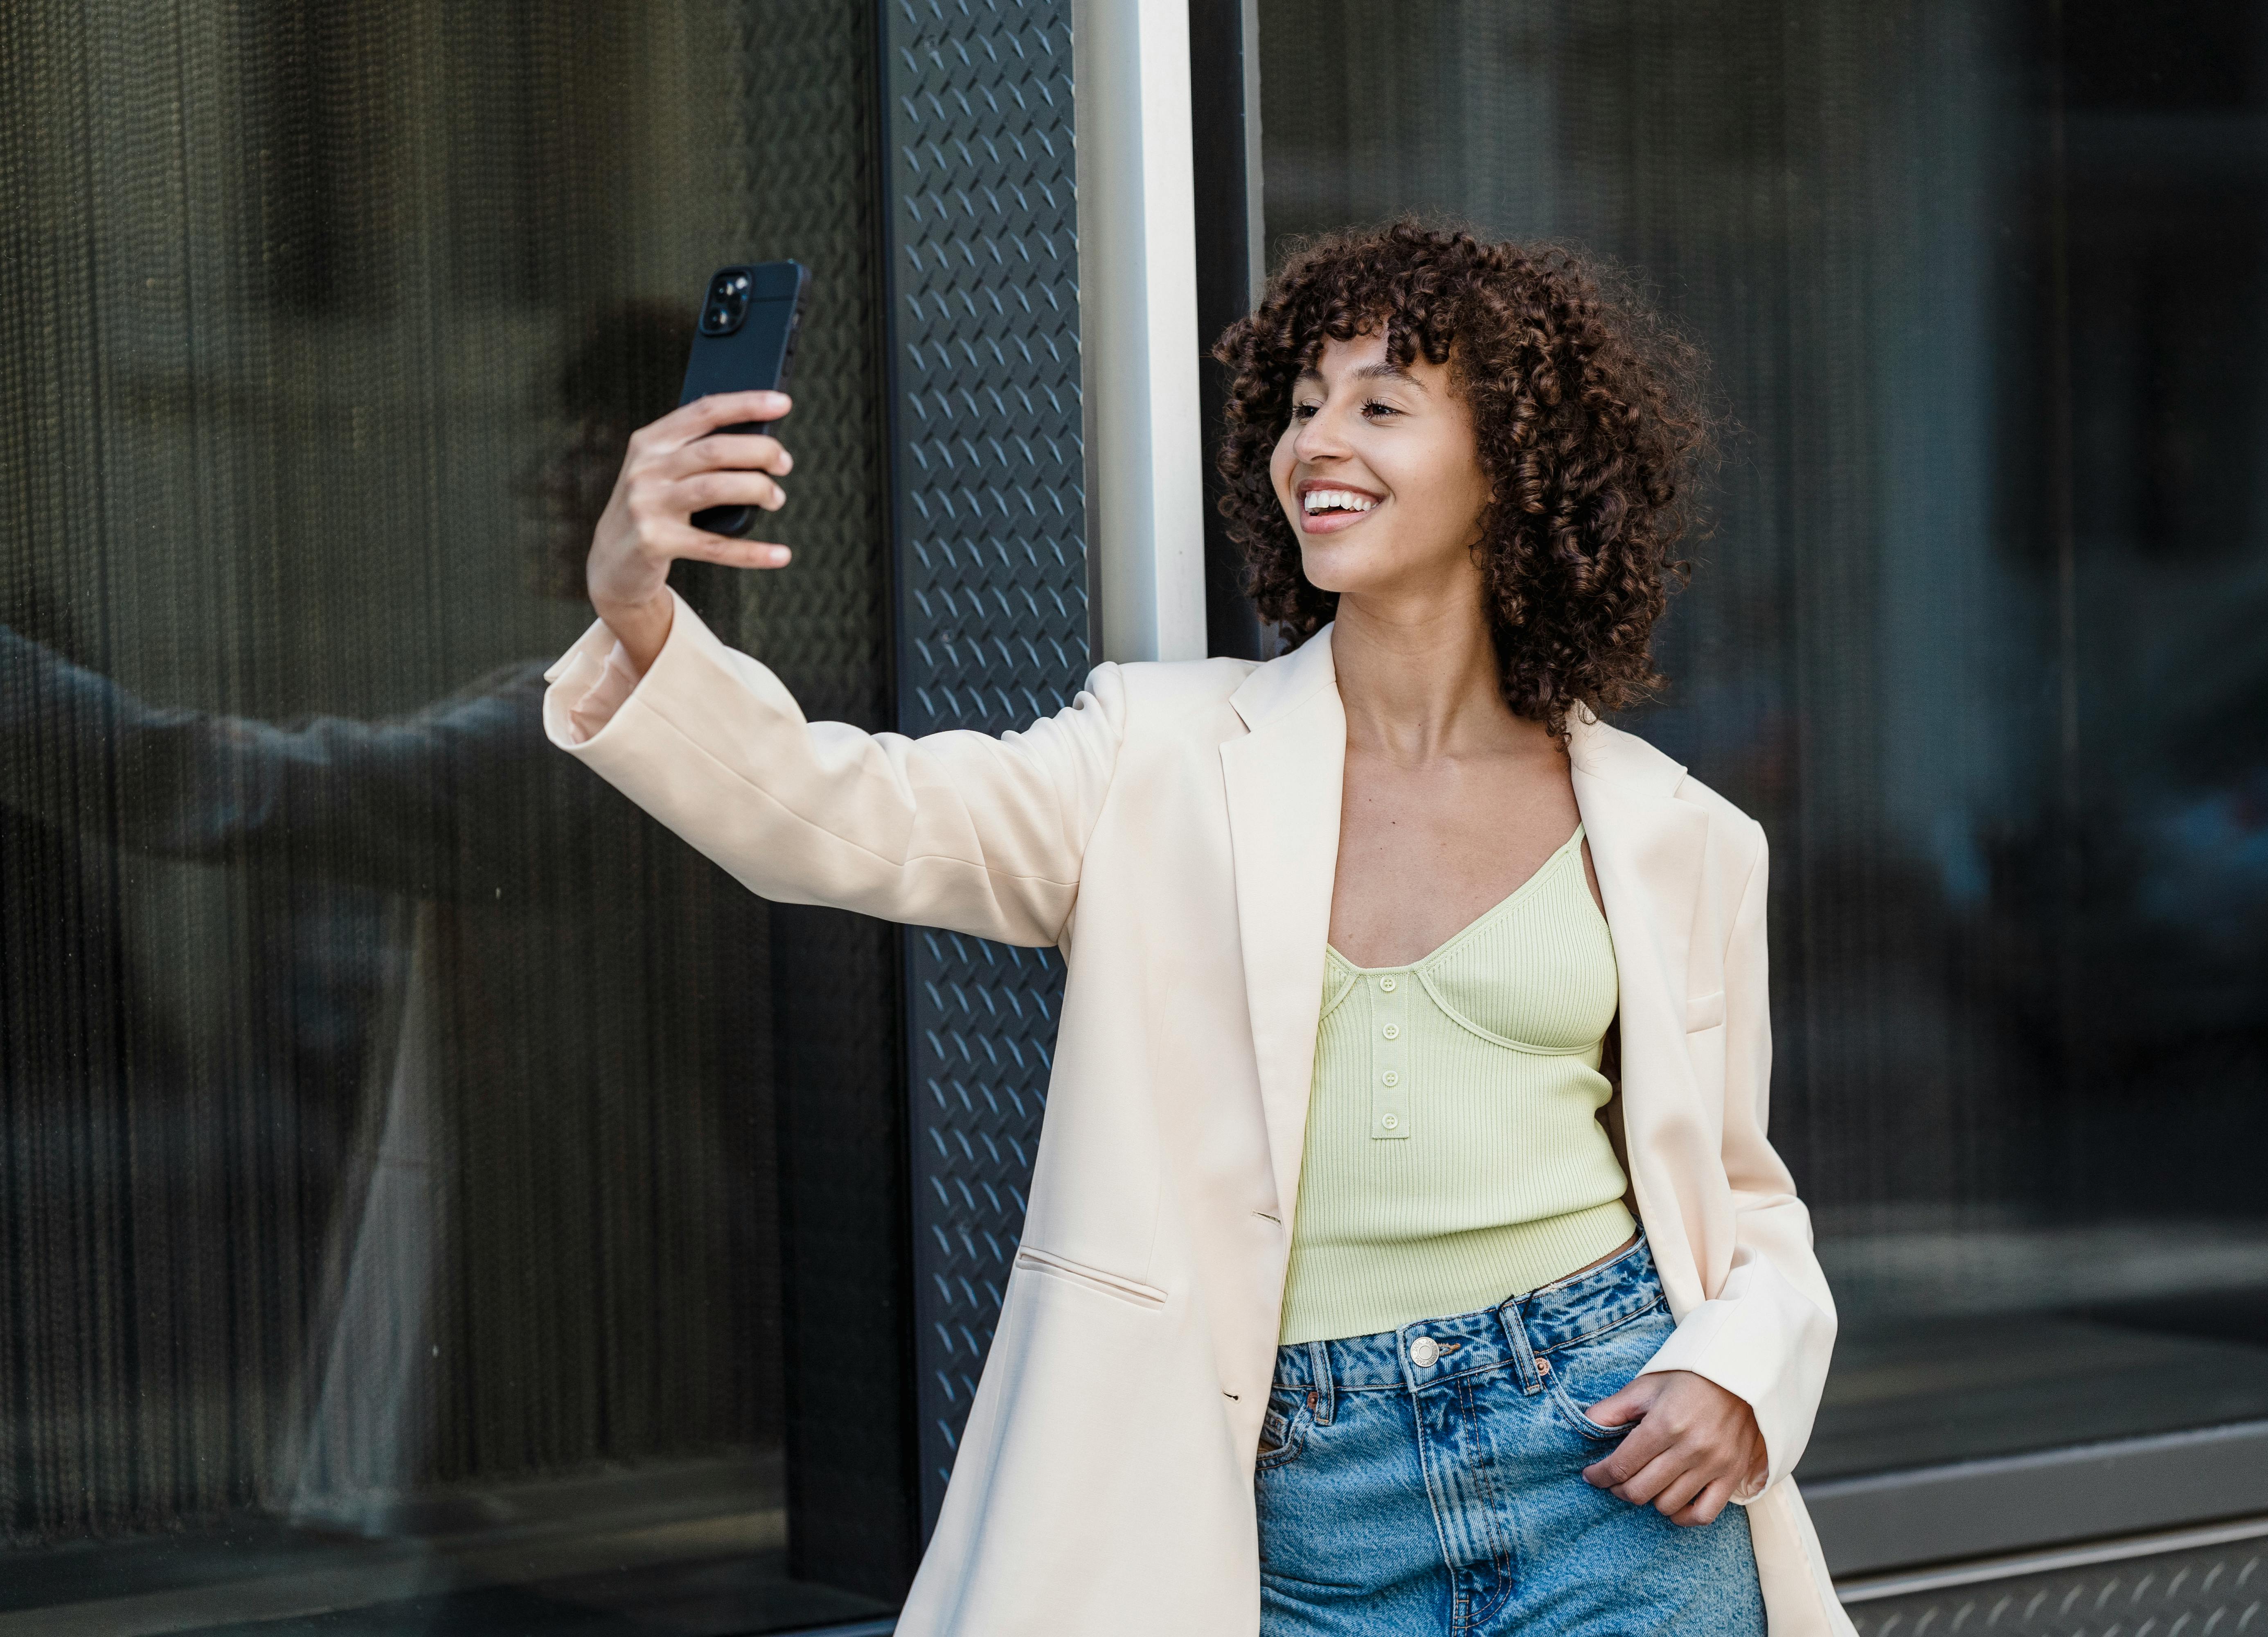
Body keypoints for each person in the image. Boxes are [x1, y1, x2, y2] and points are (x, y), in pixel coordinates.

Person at [543, 221, 1849, 1636]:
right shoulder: (1153, 756)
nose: (1317, 443)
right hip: (1297, 1501)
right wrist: (634, 604)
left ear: (1513, 469)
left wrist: (1736, 1371)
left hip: (1605, 1458)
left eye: (1381, 405)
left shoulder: (1679, 833)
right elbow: (836, 815)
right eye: (1301, 407)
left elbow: (1744, 1195)